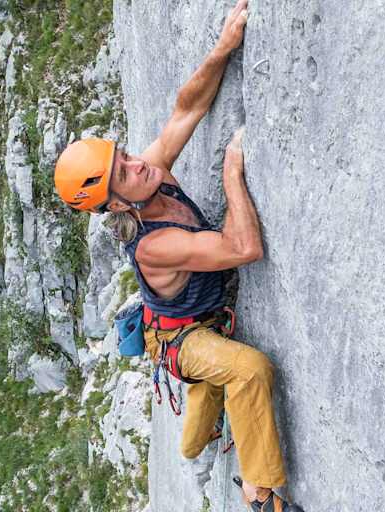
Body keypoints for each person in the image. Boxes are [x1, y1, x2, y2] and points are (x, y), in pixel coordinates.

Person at [51, 2, 302, 511]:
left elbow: (187, 108)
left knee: (210, 393)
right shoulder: (153, 242)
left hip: (192, 318)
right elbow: (243, 248)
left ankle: (195, 445)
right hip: (183, 337)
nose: (135, 163)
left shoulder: (149, 174)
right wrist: (233, 174)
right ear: (116, 204)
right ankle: (263, 497)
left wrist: (224, 47)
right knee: (247, 370)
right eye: (122, 172)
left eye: (122, 155)